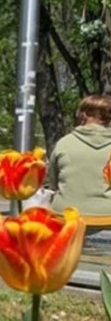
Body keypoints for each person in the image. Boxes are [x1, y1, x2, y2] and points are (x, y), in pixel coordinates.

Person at [49, 95, 111, 228]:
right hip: (107, 216)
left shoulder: (64, 143)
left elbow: (53, 184)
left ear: (83, 115)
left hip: (65, 215)